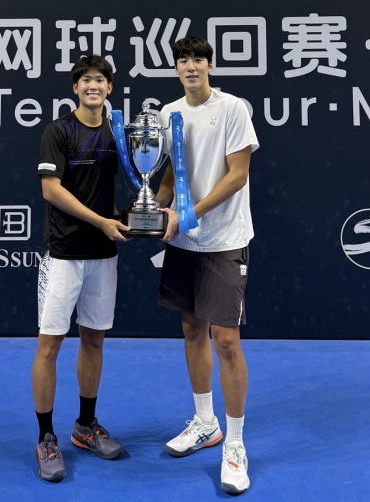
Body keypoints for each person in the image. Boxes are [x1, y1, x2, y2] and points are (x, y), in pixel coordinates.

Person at [156, 36, 259, 495]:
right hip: (184, 241)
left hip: (224, 240)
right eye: (183, 60)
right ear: (176, 69)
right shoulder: (168, 113)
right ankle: (205, 422)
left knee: (227, 341)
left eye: (198, 59)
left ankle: (234, 445)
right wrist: (155, 208)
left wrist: (190, 213)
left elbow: (237, 175)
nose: (191, 66)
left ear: (210, 66)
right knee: (191, 329)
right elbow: (168, 172)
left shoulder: (233, 108)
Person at [32, 55, 130, 482]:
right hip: (63, 254)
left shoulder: (117, 134)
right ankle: (46, 436)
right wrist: (100, 221)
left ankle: (85, 426)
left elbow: (116, 185)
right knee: (50, 346)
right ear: (75, 88)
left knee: (94, 340)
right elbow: (50, 190)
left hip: (103, 256)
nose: (93, 86)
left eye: (100, 80)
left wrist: (127, 218)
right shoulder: (59, 131)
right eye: (86, 80)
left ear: (110, 88)